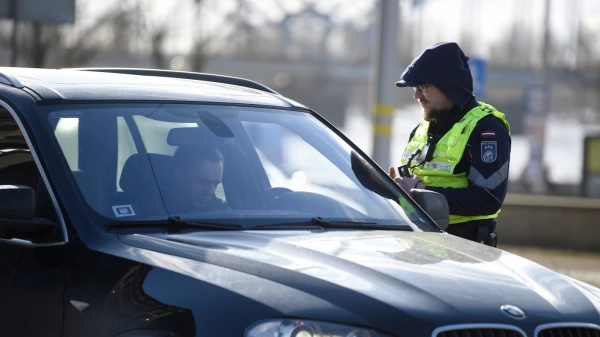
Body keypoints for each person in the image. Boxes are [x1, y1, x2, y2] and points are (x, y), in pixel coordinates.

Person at [392, 42, 511, 247]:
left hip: (465, 252)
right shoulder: (424, 127)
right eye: (415, 88)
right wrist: (394, 188)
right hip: (419, 245)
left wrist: (420, 190)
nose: (417, 96)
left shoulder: (487, 129)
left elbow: (487, 199)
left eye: (423, 87)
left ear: (449, 86)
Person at [166, 145, 229, 213]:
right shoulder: (155, 209)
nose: (210, 192)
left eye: (215, 184)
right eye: (202, 182)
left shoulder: (222, 212)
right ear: (179, 174)